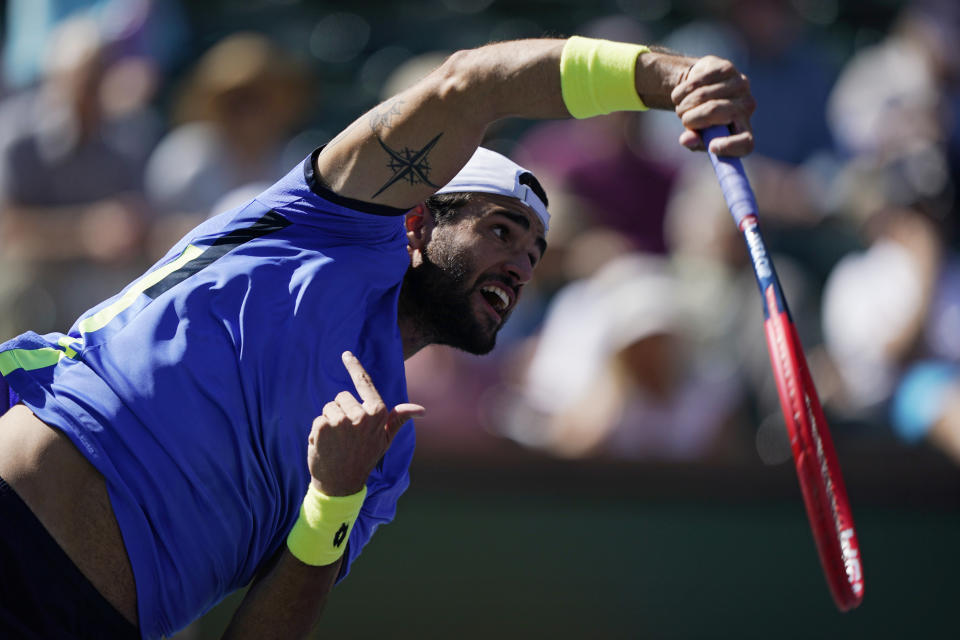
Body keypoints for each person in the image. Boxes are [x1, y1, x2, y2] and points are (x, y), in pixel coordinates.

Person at [0, 36, 755, 639]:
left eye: (534, 254)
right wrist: (666, 78)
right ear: (420, 220)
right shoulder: (324, 221)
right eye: (502, 230)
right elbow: (472, 85)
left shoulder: (384, 451)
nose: (521, 263)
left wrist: (333, 496)